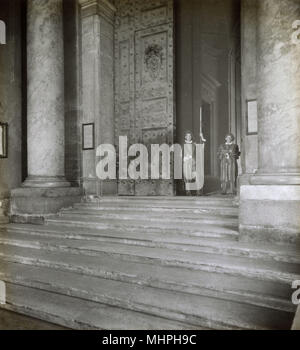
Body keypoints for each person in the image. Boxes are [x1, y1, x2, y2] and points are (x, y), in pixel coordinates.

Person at [183, 131, 205, 196]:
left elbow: (202, 147)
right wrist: (185, 158)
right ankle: (188, 192)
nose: (189, 137)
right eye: (187, 136)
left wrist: (202, 137)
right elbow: (179, 154)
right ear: (185, 137)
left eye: (190, 136)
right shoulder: (182, 144)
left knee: (197, 177)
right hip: (186, 163)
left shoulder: (194, 144)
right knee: (187, 178)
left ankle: (198, 192)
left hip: (194, 163)